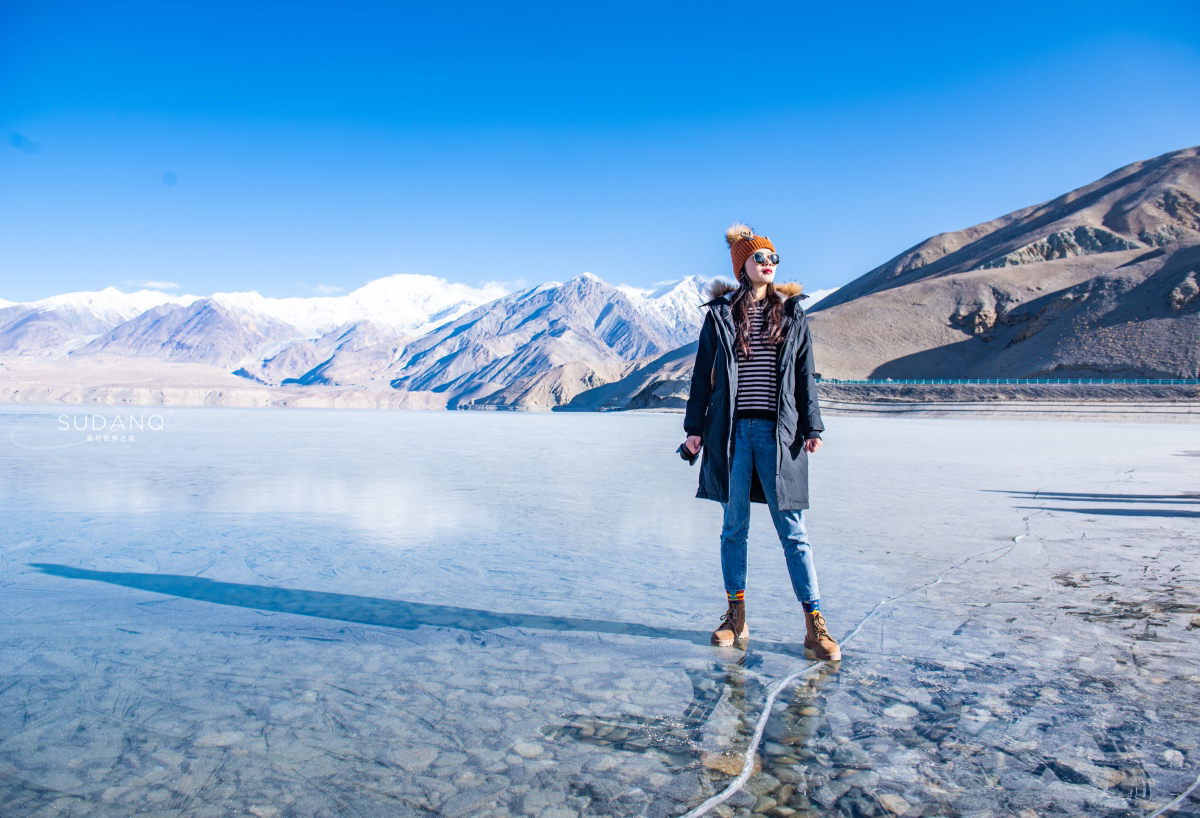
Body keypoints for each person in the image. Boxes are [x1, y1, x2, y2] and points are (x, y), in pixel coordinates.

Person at [681, 223, 840, 661]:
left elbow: (805, 375)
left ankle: (814, 624)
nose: (768, 264)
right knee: (734, 528)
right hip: (731, 434)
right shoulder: (719, 315)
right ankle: (736, 615)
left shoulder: (792, 313)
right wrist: (694, 430)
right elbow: (701, 377)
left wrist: (813, 427)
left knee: (794, 532)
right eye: (760, 258)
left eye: (773, 259)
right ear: (742, 266)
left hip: (779, 433)